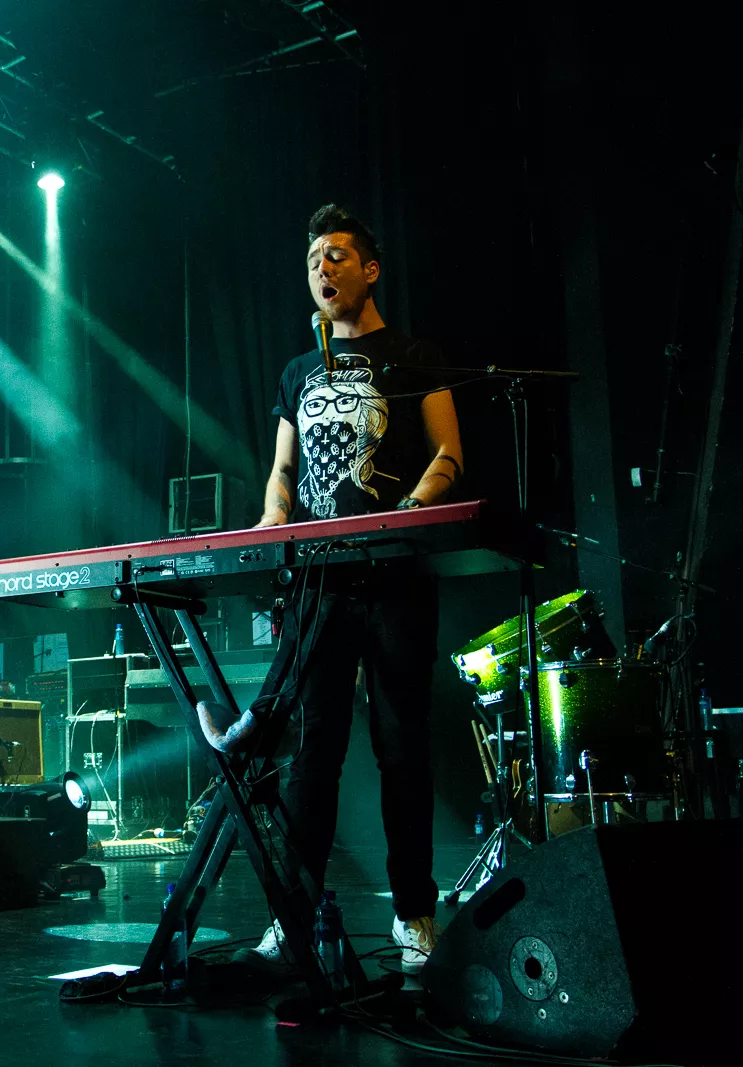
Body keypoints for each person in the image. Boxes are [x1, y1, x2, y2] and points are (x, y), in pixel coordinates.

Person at [237, 204, 462, 974]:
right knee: (314, 754)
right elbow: (282, 472)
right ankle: (292, 912)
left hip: (395, 576)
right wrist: (272, 523)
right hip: (319, 581)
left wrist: (407, 513)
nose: (322, 270)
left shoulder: (413, 355)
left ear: (369, 269)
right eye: (312, 262)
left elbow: (448, 455)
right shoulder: (298, 372)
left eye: (337, 257)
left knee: (401, 747)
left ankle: (415, 914)